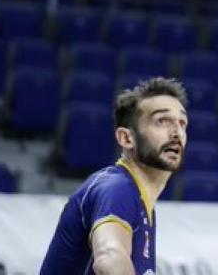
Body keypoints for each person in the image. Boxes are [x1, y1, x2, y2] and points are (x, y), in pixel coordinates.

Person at [41, 78, 188, 275]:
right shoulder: (117, 187)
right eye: (162, 121)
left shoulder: (142, 203)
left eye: (182, 122)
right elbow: (110, 257)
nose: (176, 132)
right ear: (126, 138)